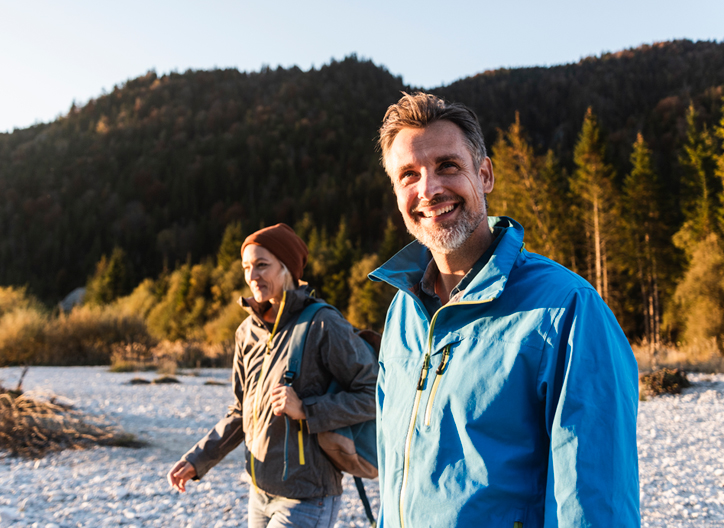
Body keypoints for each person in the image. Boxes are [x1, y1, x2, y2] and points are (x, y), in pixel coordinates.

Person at [368, 93, 640, 527]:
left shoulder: (567, 309)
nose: (429, 189)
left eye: (447, 166)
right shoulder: (403, 312)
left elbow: (595, 504)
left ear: (485, 174)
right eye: (408, 175)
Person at [167, 223, 378, 528]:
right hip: (259, 492)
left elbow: (374, 394)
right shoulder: (247, 332)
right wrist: (198, 459)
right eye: (246, 267)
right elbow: (241, 411)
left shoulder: (322, 324)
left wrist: (307, 409)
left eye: (262, 265)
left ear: (287, 268)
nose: (252, 276)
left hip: (308, 496)